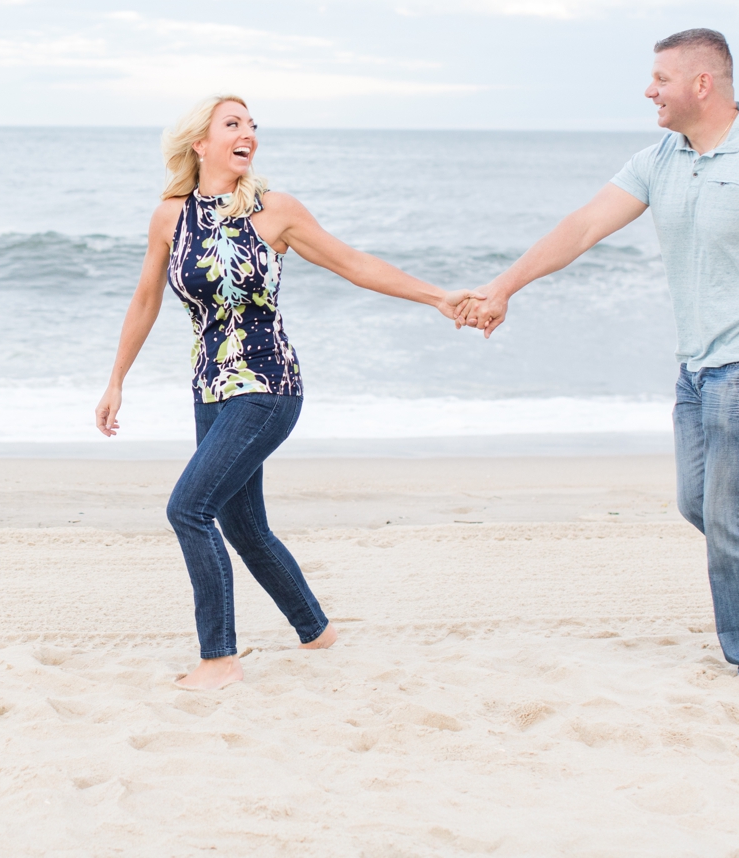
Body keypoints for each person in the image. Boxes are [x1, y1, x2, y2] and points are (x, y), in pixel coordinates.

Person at [457, 29, 739, 688]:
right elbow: (583, 226)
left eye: (660, 78)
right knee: (703, 504)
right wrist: (504, 286)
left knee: (734, 516)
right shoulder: (663, 157)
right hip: (700, 363)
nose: (648, 90)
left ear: (702, 84)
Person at [96, 94, 475, 690]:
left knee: (188, 509)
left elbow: (354, 264)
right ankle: (317, 631)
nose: (248, 134)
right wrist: (116, 379)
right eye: (233, 124)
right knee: (243, 527)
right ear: (200, 143)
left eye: (252, 126)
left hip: (269, 386)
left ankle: (218, 659)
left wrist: (438, 297)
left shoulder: (277, 211)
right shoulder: (169, 216)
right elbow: (145, 298)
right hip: (211, 390)